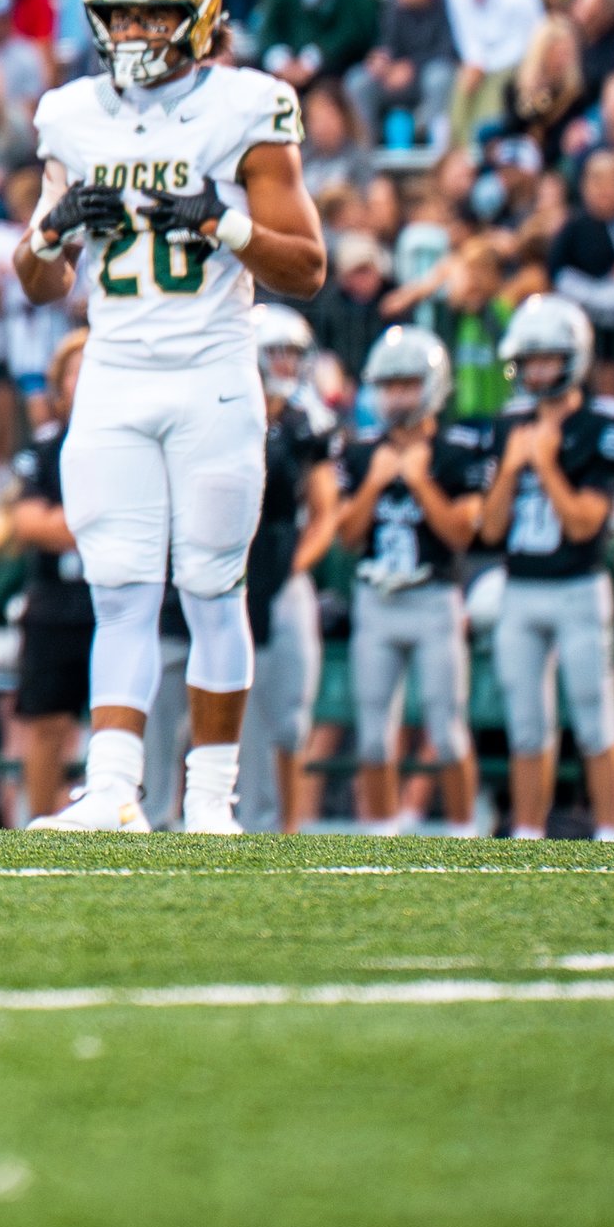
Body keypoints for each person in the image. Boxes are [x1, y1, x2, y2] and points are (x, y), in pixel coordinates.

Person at [13, 0, 326, 834]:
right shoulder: (70, 115)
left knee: (211, 585)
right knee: (116, 587)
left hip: (211, 372)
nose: (135, 35)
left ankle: (212, 800)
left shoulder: (248, 106)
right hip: (111, 370)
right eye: (121, 17)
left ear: (197, 16)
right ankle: (112, 790)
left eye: (153, 16)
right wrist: (51, 226)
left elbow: (306, 266)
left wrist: (221, 223)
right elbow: (40, 285)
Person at [479, 293, 614, 843]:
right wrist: (514, 470)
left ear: (574, 355)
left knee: (595, 716)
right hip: (522, 586)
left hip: (578, 586)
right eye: (531, 358)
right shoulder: (509, 425)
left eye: (547, 356)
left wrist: (544, 463)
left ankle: (612, 836)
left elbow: (586, 523)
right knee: (526, 725)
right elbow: (491, 530)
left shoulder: (603, 424)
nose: (538, 369)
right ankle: (526, 834)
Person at [338, 325, 488, 836]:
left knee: (447, 728)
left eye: (406, 384)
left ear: (431, 384)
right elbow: (348, 536)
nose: (397, 395)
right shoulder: (360, 455)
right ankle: (380, 835)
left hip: (433, 595)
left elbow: (463, 532)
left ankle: (465, 834)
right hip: (377, 596)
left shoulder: (457, 450)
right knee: (374, 734)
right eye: (389, 385)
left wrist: (420, 481)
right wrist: (376, 483)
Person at [235, 306, 339, 834]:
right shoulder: (225, 414)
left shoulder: (303, 424)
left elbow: (324, 515)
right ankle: (240, 819)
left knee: (290, 715)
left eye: (293, 354)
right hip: (227, 574)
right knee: (239, 712)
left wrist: (288, 567)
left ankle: (288, 828)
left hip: (280, 572)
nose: (285, 363)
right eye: (276, 351)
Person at [7, 330, 94, 820]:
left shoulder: (134, 448)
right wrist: (98, 520)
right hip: (57, 602)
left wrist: (64, 522)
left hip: (115, 601)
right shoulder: (45, 450)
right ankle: (40, 822)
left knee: (120, 721)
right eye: (73, 370)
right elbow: (28, 523)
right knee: (45, 723)